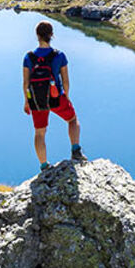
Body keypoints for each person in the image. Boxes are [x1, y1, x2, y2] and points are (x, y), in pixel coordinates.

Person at [22, 20, 83, 168]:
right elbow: (65, 81)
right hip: (56, 96)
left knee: (39, 133)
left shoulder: (29, 57)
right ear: (51, 35)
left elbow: (25, 83)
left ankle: (44, 166)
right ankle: (75, 151)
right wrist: (66, 96)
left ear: (37, 35)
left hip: (37, 100)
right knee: (72, 119)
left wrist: (27, 101)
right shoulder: (59, 55)